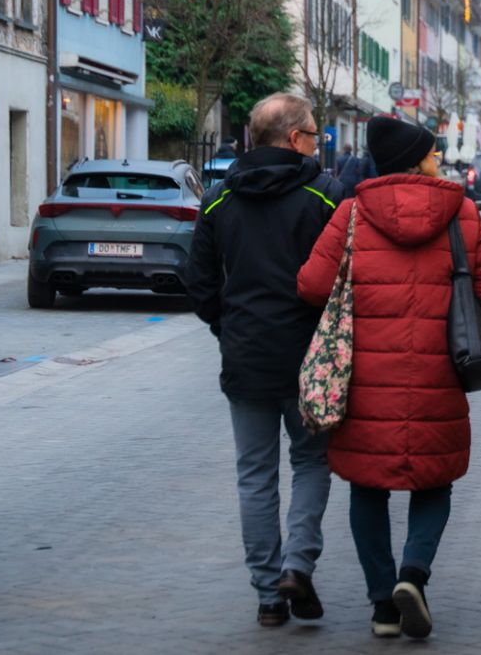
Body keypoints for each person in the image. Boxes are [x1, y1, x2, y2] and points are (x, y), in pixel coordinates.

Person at [296, 116, 481, 640]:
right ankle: (412, 575)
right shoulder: (460, 211)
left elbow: (311, 284)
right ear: (416, 159)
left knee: (368, 487)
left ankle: (382, 607)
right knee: (434, 481)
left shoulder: (350, 214)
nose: (438, 157)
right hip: (441, 369)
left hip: (365, 376)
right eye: (432, 151)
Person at [185, 93, 342, 629]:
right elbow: (344, 279)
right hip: (310, 361)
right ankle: (297, 565)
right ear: (294, 138)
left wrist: (228, 327)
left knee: (254, 475)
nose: (318, 143)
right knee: (312, 462)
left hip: (246, 356)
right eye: (316, 134)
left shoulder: (217, 199)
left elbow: (199, 283)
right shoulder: (326, 196)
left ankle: (267, 594)